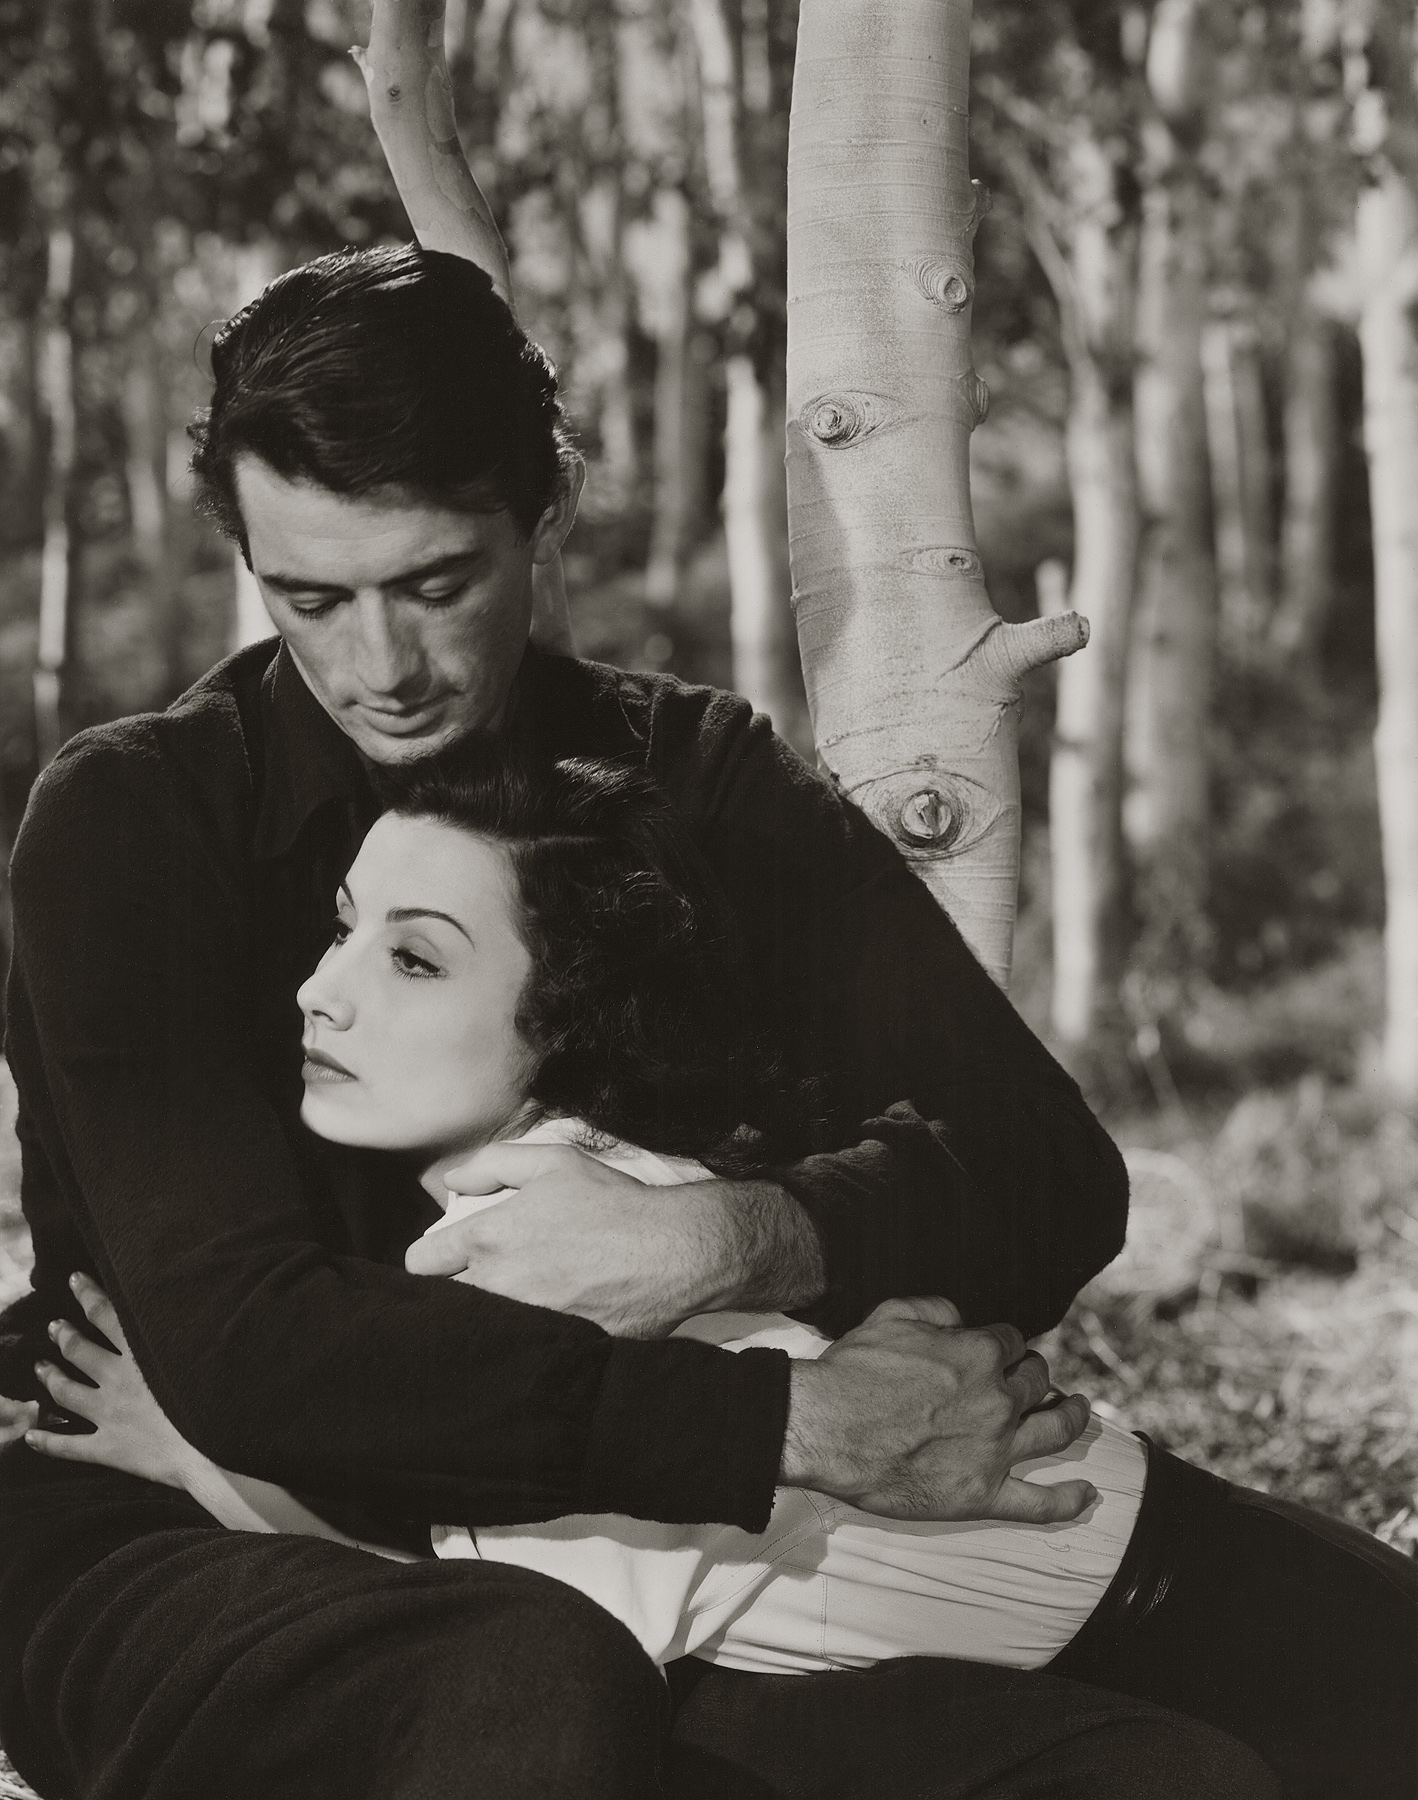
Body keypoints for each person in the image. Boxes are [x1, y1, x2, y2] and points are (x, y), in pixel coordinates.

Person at [0, 243, 1273, 1800]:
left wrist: (737, 1240)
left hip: (660, 1547)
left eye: (437, 585)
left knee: (1253, 1737)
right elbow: (247, 1350)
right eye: (309, 598)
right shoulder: (133, 821)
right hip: (172, 1511)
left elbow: (1043, 1170)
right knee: (529, 1683)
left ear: (544, 510)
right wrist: (785, 1423)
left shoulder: (695, 775)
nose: (378, 669)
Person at [27, 749, 1415, 1800]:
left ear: (562, 1025)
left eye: (412, 959)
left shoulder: (556, 1259)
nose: (320, 989)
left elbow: (514, 1657)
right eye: (343, 927)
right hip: (1205, 1607)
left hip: (1267, 1639)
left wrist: (195, 1454)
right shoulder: (583, 1199)